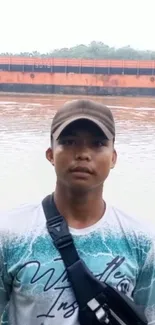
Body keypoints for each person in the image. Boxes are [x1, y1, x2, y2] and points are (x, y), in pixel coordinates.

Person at [0, 99, 155, 325]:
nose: (83, 153)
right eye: (69, 142)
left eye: (98, 143)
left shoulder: (142, 241)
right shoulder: (10, 234)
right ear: (51, 154)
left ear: (113, 157)